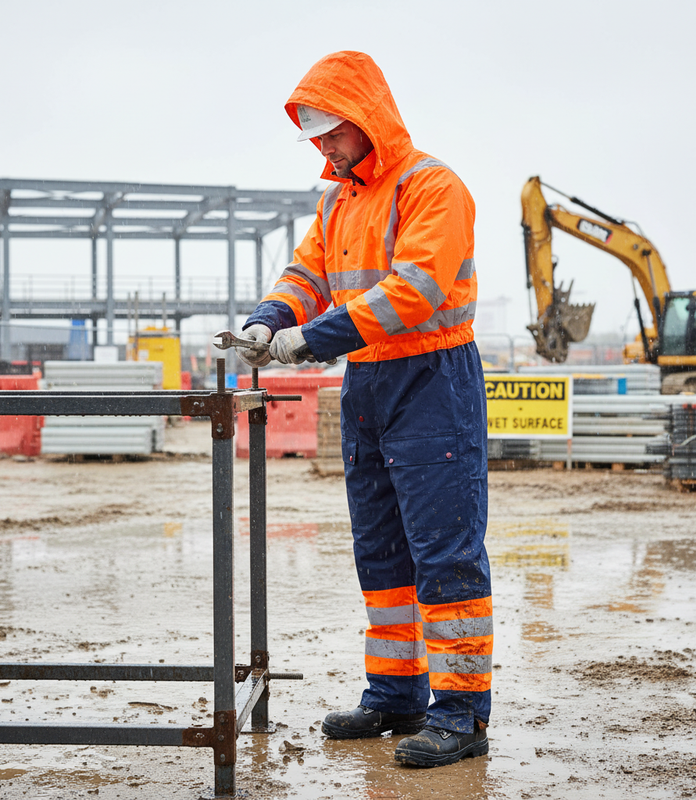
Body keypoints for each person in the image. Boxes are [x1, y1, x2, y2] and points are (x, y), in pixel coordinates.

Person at [238, 51, 492, 768]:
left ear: (367, 120)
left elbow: (415, 290)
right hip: (369, 384)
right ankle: (395, 694)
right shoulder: (337, 200)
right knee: (381, 552)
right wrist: (267, 319)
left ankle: (462, 714)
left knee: (445, 554)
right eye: (314, 137)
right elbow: (307, 273)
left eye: (332, 133)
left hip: (432, 379)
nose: (322, 147)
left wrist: (309, 339)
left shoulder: (431, 186)